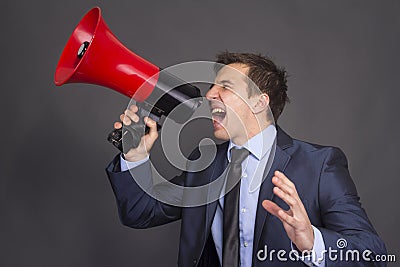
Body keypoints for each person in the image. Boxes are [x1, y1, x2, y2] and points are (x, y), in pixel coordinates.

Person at [106, 52, 387, 266]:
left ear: (259, 102)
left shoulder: (319, 165)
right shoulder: (202, 164)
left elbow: (372, 252)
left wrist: (313, 242)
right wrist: (136, 156)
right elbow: (139, 213)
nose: (209, 94)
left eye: (225, 86)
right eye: (212, 86)